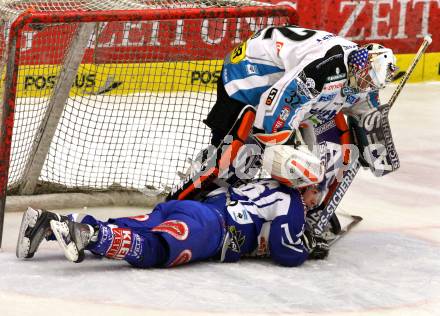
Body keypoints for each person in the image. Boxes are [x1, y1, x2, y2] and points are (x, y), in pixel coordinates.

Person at [201, 25, 398, 188]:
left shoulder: (360, 68)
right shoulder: (325, 67)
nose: (366, 86)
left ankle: (250, 188)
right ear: (360, 65)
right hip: (249, 72)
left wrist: (375, 149)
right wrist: (280, 147)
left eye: (372, 84)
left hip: (280, 75)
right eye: (367, 80)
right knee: (235, 146)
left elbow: (368, 113)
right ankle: (204, 184)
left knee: (285, 150)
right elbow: (281, 100)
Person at [16, 180, 328, 268]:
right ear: (303, 184)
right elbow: (286, 252)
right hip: (210, 230)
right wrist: (305, 247)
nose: (316, 199)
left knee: (131, 227)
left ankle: (48, 223)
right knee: (154, 250)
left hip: (187, 208)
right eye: (316, 191)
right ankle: (89, 234)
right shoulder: (293, 200)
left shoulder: (261, 183)